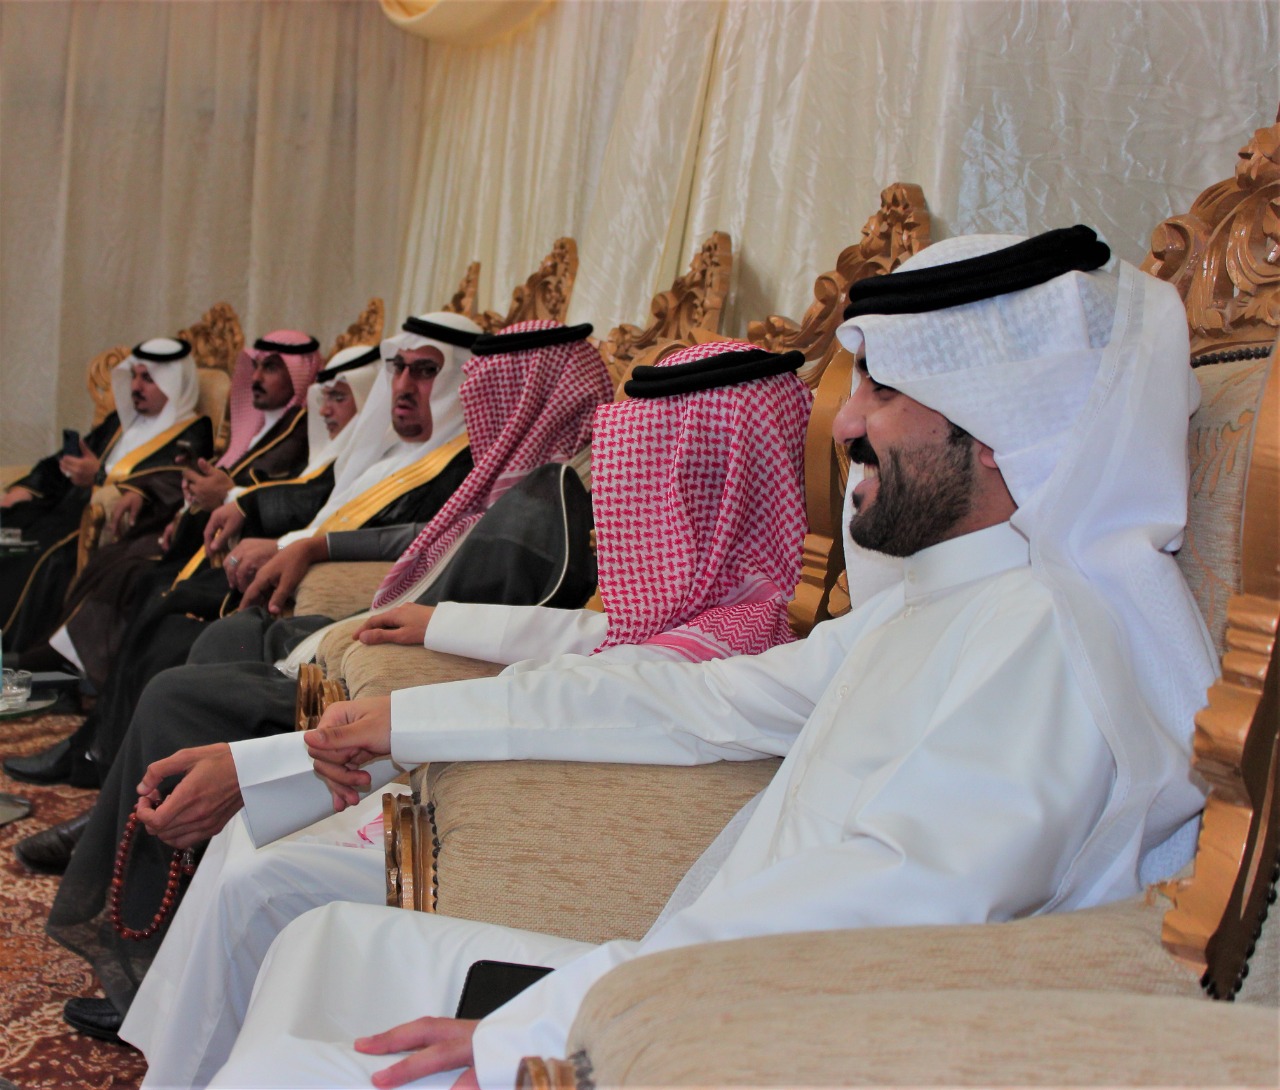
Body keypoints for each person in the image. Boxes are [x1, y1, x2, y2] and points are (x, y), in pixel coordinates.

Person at [206, 227, 1215, 1090]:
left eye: (883, 391)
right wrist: (408, 719)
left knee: (289, 1063)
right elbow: (688, 699)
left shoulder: (1049, 636)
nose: (845, 423)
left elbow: (906, 897)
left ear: (1000, 427)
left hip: (753, 1034)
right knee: (321, 946)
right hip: (690, 983)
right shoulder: (934, 605)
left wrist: (556, 1021)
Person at [119, 338, 815, 1089]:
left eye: (646, 474)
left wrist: (267, 766)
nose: (621, 504)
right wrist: (446, 622)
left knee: (260, 879)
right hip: (494, 807)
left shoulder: (729, 648)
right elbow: (606, 640)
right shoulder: (734, 617)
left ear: (705, 488)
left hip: (540, 849)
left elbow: (582, 693)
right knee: (250, 857)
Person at [45, 319, 613, 1042]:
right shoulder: (518, 483)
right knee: (212, 634)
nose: (465, 401)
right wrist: (318, 548)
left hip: (383, 692)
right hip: (368, 656)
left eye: (439, 375)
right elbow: (423, 541)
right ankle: (129, 849)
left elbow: (498, 642)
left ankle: (141, 956)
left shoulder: (547, 502)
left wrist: (351, 647)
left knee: (178, 694)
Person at [4, 317, 476, 796]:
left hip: (316, 597)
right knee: (159, 602)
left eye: (425, 370)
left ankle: (117, 777)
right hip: (277, 565)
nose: (403, 384)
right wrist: (250, 507)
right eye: (398, 367)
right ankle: (102, 763)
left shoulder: (458, 464)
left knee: (168, 626)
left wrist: (289, 541)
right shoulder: (392, 446)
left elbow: (408, 542)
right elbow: (316, 493)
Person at [0, 337, 209, 658]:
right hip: (62, 509)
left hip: (98, 527)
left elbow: (168, 482)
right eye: (134, 376)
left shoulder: (192, 433)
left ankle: (14, 655)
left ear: (174, 383)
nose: (136, 387)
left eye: (148, 379)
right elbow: (65, 462)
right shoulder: (120, 422)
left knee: (42, 560)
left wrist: (99, 477)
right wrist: (26, 489)